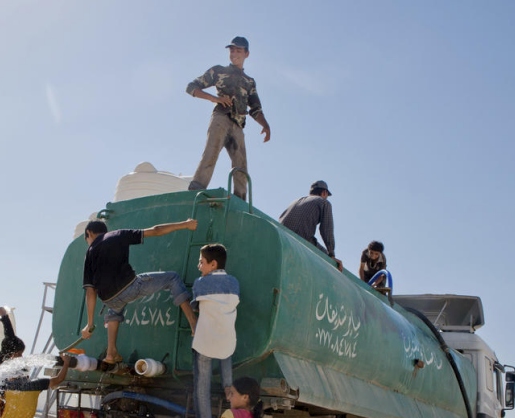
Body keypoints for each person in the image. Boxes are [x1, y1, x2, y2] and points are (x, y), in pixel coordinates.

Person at [80, 219, 199, 366]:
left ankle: (111, 353)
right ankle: (194, 324)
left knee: (114, 312)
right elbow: (156, 230)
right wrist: (185, 224)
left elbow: (90, 291)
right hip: (130, 288)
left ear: (89, 233)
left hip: (109, 299)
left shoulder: (89, 253)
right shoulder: (118, 235)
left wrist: (89, 324)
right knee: (172, 278)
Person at [187, 36, 271, 201]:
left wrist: (266, 125)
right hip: (221, 118)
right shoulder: (219, 71)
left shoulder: (249, 82)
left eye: (238, 50)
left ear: (247, 54)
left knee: (241, 166)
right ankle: (195, 192)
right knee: (210, 153)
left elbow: (255, 109)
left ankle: (240, 201)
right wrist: (214, 99)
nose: (234, 53)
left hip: (238, 125)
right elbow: (191, 87)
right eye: (232, 50)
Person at [191, 244, 240, 418]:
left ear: (213, 264)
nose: (199, 265)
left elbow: (194, 307)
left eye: (201, 262)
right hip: (227, 343)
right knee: (229, 386)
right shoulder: (234, 283)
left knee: (202, 387)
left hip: (204, 342)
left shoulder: (200, 283)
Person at [279, 180, 343, 272]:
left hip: (282, 235)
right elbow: (327, 229)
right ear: (324, 192)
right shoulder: (324, 203)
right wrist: (331, 255)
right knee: (328, 259)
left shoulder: (297, 200)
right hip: (301, 238)